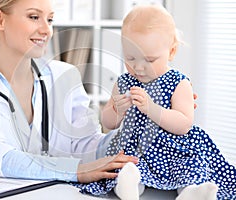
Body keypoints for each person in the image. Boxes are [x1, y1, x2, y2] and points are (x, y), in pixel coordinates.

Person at [0, 0, 139, 185]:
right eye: (34, 17)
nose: (47, 30)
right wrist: (74, 171)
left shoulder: (65, 75)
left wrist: (131, 130)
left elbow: (86, 145)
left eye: (50, 19)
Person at [76, 5, 236, 200]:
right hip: (137, 148)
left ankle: (191, 192)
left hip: (176, 150)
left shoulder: (179, 82)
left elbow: (184, 124)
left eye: (149, 60)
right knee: (126, 165)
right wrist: (117, 110)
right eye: (130, 58)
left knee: (191, 166)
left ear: (171, 52)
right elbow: (108, 124)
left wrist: (151, 108)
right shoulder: (125, 81)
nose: (138, 67)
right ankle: (129, 186)